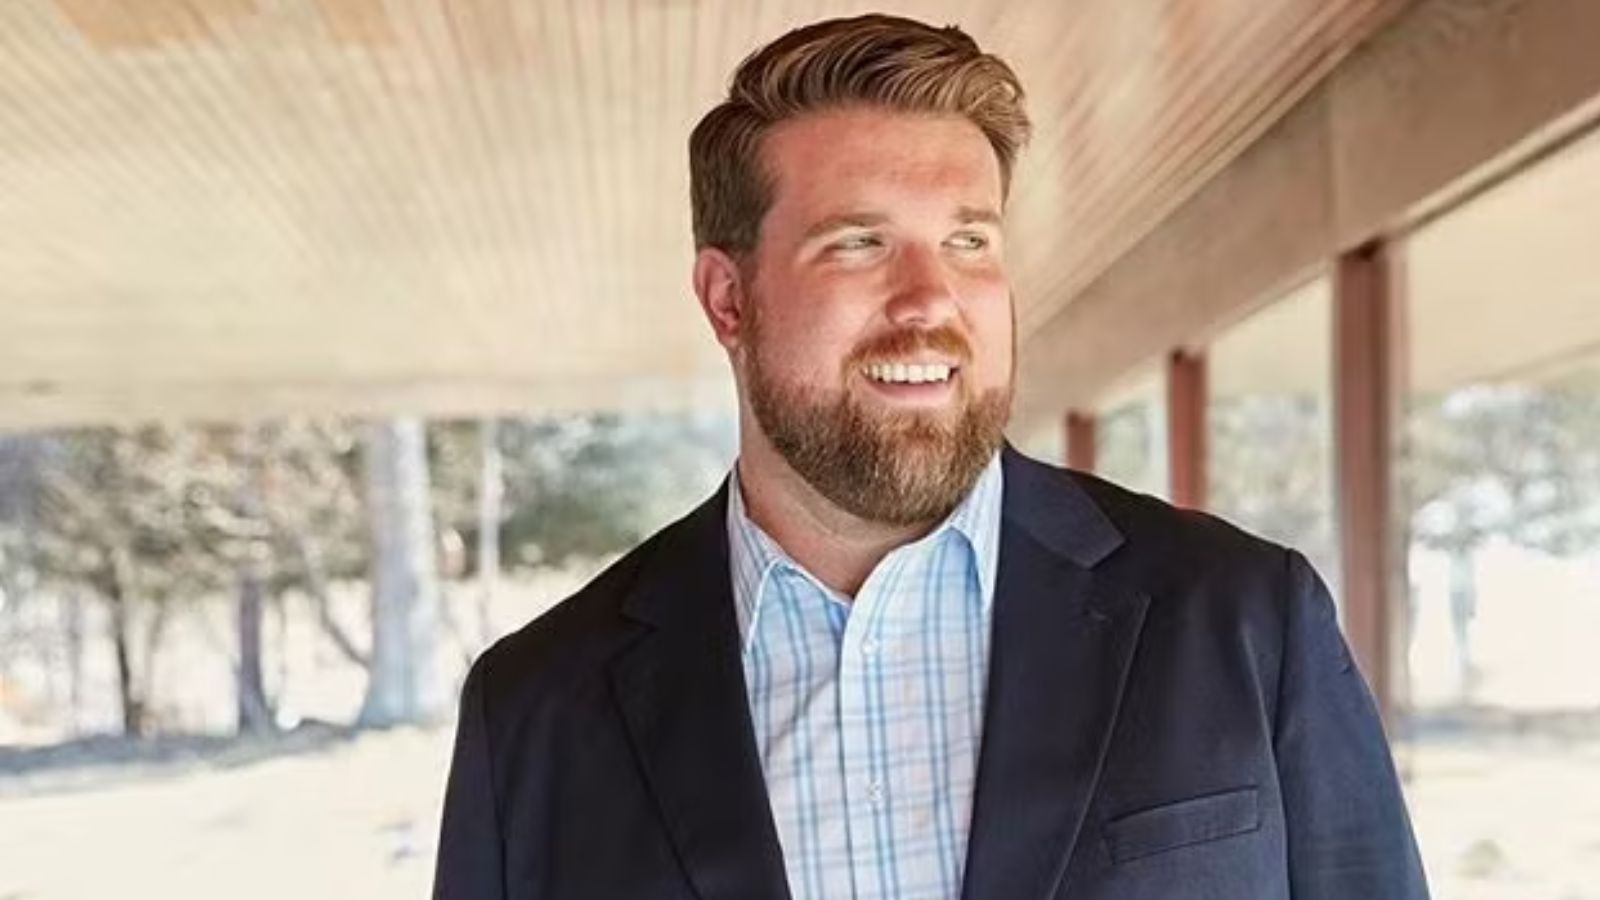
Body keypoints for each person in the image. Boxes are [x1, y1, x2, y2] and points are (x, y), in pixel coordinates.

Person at [433, 14, 1430, 900]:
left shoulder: (1247, 619)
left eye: (967, 242)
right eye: (858, 244)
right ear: (728, 300)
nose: (928, 302)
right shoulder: (535, 713)